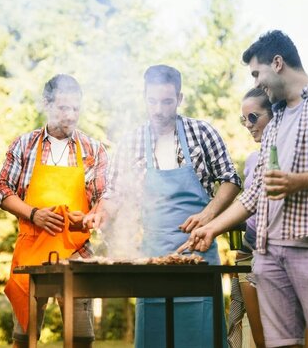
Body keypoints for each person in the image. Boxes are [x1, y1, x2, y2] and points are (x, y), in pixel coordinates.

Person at [189, 30, 308, 348]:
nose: (256, 82)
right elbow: (253, 194)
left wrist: (298, 182)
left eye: (256, 73)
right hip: (269, 255)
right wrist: (211, 229)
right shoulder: (275, 122)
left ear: (277, 63)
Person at [86, 64, 241, 348]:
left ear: (179, 99)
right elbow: (114, 194)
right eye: (152, 101)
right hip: (153, 258)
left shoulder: (202, 132)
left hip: (199, 254)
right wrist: (100, 215)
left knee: (203, 336)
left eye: (167, 101)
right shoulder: (131, 142)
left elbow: (231, 180)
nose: (159, 109)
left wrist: (208, 214)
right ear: (144, 98)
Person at [0, 74, 108, 348]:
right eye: (63, 108)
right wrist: (34, 214)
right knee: (24, 338)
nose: (70, 115)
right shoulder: (24, 145)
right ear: (46, 105)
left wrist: (91, 216)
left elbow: (105, 197)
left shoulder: (93, 149)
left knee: (81, 339)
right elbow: (2, 190)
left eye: (75, 108)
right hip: (32, 251)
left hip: (77, 253)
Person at [228, 88, 272, 348]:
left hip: (278, 252)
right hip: (248, 254)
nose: (247, 125)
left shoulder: (287, 152)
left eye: (253, 117)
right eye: (243, 119)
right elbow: (251, 206)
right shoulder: (252, 159)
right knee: (261, 339)